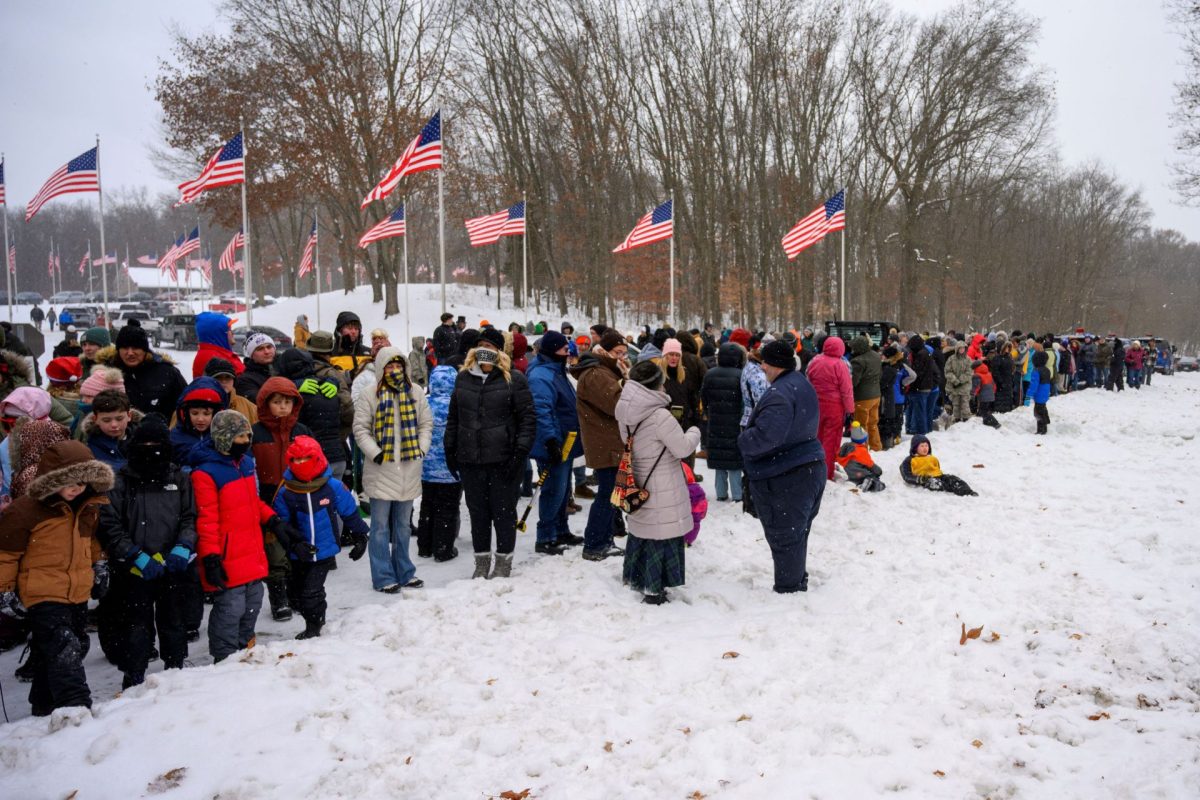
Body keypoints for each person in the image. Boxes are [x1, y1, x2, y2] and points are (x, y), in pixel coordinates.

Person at [0, 441, 113, 715]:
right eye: (70, 482)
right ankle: (76, 707)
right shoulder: (26, 511)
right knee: (65, 647)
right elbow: (6, 554)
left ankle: (44, 704)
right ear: (52, 481)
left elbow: (92, 542)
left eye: (83, 482)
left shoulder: (87, 507)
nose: (78, 488)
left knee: (66, 645)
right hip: (42, 592)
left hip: (76, 590)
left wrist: (99, 565)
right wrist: (4, 589)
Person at [192, 410, 310, 662]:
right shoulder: (205, 473)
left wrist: (274, 520)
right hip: (227, 553)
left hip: (252, 547)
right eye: (240, 436)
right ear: (224, 438)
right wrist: (211, 556)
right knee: (231, 607)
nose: (246, 441)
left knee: (254, 600)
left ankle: (245, 647)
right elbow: (207, 519)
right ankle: (224, 657)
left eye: (248, 435)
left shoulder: (245, 463)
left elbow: (252, 502)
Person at [96, 414, 196, 687]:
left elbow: (189, 517)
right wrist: (133, 554)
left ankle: (175, 668)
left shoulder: (179, 478)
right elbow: (109, 525)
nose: (152, 449)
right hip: (134, 568)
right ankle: (134, 674)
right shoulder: (119, 480)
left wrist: (184, 547)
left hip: (171, 565)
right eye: (146, 443)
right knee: (136, 626)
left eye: (157, 443)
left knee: (174, 621)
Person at [445, 329, 536, 577]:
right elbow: (454, 417)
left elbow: (527, 419)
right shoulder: (463, 378)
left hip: (503, 460)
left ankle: (503, 562)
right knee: (479, 514)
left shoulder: (514, 379)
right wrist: (450, 448)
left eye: (489, 346)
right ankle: (482, 562)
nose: (484, 351)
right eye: (480, 345)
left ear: (498, 351)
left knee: (504, 513)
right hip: (470, 459)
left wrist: (519, 453)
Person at [738, 340, 826, 594]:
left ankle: (789, 591)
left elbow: (767, 437)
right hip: (807, 466)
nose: (762, 366)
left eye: (765, 361)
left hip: (787, 475)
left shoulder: (780, 395)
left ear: (776, 364)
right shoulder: (800, 383)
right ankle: (796, 579)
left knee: (785, 536)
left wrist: (743, 439)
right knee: (797, 534)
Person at [614, 361, 701, 604]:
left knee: (644, 529)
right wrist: (695, 431)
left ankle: (636, 576)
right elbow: (682, 448)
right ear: (655, 385)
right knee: (662, 532)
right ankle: (654, 587)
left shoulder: (625, 410)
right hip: (663, 480)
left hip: (639, 477)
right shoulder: (660, 415)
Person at [272, 436, 368, 639]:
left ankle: (314, 626)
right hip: (299, 553)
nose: (301, 464)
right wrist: (295, 544)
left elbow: (349, 511)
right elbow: (283, 525)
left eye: (305, 459)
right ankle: (312, 613)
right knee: (297, 594)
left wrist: (360, 536)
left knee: (311, 593)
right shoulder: (286, 491)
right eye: (296, 460)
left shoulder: (331, 486)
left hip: (324, 550)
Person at [352, 348, 432, 593]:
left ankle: (405, 572)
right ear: (381, 368)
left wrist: (421, 448)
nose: (394, 370)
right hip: (381, 469)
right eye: (389, 366)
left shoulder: (415, 393)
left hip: (409, 468)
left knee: (403, 526)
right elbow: (361, 429)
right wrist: (375, 452)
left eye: (398, 366)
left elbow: (426, 424)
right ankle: (383, 576)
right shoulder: (369, 394)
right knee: (379, 529)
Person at [249, 376, 312, 622]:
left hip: (298, 498)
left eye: (287, 402)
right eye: (277, 402)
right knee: (275, 554)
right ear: (266, 404)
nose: (283, 407)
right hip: (269, 499)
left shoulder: (302, 431)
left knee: (297, 548)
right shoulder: (256, 433)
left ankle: (296, 595)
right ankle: (279, 600)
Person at [569, 329, 628, 561]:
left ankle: (604, 539)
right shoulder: (596, 374)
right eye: (618, 352)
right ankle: (594, 543)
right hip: (605, 442)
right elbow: (618, 406)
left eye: (624, 353)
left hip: (609, 440)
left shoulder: (605, 370)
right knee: (606, 494)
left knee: (611, 494)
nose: (622, 357)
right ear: (604, 351)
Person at [526, 330, 584, 555]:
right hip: (553, 442)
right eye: (563, 349)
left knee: (563, 488)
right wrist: (550, 440)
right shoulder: (542, 375)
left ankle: (561, 530)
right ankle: (546, 536)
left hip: (566, 440)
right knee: (552, 489)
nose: (567, 353)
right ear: (552, 351)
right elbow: (542, 410)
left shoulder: (558, 370)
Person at [280, 341, 352, 482]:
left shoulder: (293, 397)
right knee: (335, 500)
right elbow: (348, 412)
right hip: (338, 456)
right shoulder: (326, 385)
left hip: (311, 460)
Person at [417, 364, 463, 563]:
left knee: (427, 505)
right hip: (450, 467)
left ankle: (424, 546)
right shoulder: (458, 404)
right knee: (447, 508)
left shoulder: (424, 404)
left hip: (426, 467)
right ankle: (443, 548)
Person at [101, 321, 188, 419]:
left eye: (136, 347)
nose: (130, 353)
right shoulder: (105, 374)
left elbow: (186, 404)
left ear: (145, 350)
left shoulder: (167, 372)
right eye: (125, 347)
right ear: (118, 350)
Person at [701, 342, 745, 502]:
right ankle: (737, 494)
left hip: (715, 422)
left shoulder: (710, 374)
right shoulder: (741, 375)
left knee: (719, 461)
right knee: (734, 462)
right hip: (734, 424)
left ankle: (720, 493)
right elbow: (744, 402)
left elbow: (704, 396)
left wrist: (708, 412)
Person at [806, 335, 855, 480]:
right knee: (831, 440)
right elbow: (847, 391)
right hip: (834, 407)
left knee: (817, 438)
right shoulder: (841, 365)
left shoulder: (814, 361)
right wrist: (850, 411)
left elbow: (808, 380)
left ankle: (814, 468)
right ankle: (826, 473)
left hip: (816, 405)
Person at [169, 377, 228, 467]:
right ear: (185, 414)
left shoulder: (227, 435)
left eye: (206, 414)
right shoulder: (174, 437)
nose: (200, 419)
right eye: (195, 413)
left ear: (216, 413)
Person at [899, 434, 977, 496]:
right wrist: (919, 479)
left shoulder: (933, 458)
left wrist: (945, 477)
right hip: (926, 479)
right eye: (922, 446)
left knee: (953, 479)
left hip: (939, 476)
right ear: (915, 448)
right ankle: (947, 487)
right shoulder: (910, 460)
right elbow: (906, 475)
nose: (925, 448)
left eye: (926, 445)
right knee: (935, 483)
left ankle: (968, 491)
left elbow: (938, 470)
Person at [82, 389, 138, 469]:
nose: (114, 425)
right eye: (106, 420)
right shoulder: (89, 449)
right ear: (95, 419)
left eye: (119, 419)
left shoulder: (144, 441)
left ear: (129, 416)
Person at [849, 335, 882, 450]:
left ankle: (861, 449)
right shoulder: (876, 356)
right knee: (873, 423)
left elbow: (854, 381)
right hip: (876, 395)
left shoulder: (858, 361)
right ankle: (876, 446)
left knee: (860, 425)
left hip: (862, 397)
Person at [192, 312, 244, 380]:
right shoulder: (212, 359)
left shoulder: (219, 353)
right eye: (229, 330)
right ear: (219, 333)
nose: (232, 333)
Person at [204, 357, 257, 423]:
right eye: (218, 377)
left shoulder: (248, 406)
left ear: (234, 380)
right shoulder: (198, 405)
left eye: (228, 377)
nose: (224, 381)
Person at [836, 422, 885, 491]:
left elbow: (837, 456)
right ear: (863, 440)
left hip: (851, 473)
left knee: (857, 475)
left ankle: (854, 481)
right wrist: (878, 471)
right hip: (860, 473)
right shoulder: (861, 451)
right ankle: (869, 483)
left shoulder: (846, 446)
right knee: (877, 481)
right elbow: (870, 464)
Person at [330, 311, 372, 380]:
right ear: (340, 330)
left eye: (356, 329)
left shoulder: (367, 352)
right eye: (350, 328)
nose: (353, 332)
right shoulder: (330, 351)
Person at [235, 332, 276, 404]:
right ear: (252, 354)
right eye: (260, 349)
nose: (266, 351)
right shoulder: (245, 380)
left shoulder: (284, 368)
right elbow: (258, 401)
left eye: (269, 347)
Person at [943, 339, 973, 425]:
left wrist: (960, 381)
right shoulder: (951, 359)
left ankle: (966, 420)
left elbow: (969, 372)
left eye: (963, 348)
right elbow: (947, 371)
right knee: (956, 404)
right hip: (954, 386)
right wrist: (955, 380)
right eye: (960, 348)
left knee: (965, 404)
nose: (962, 350)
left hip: (965, 386)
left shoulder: (968, 360)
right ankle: (957, 420)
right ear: (957, 349)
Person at [1026, 350, 1052, 434]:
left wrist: (1028, 396)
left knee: (1037, 412)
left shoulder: (1036, 371)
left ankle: (1041, 430)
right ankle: (1046, 422)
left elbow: (1033, 385)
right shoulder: (1047, 370)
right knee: (1042, 408)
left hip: (1039, 394)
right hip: (1045, 393)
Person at [972, 356, 1001, 428]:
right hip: (990, 395)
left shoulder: (977, 375)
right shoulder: (988, 373)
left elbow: (976, 387)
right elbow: (994, 385)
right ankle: (985, 422)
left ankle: (995, 423)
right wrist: (992, 393)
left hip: (983, 396)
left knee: (983, 410)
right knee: (985, 409)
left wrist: (972, 393)